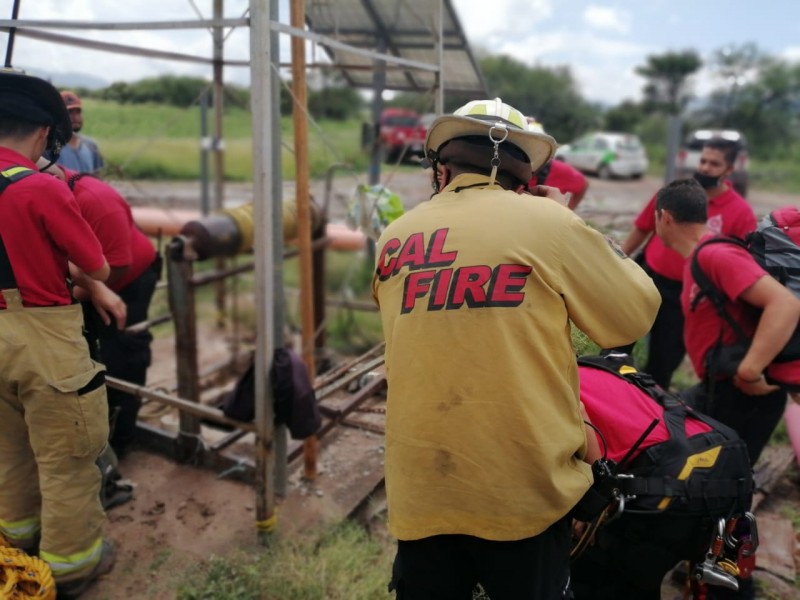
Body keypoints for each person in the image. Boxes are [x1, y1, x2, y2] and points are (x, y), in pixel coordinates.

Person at [372, 97, 661, 600]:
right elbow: (633, 315)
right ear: (525, 175)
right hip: (522, 489)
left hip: (422, 483)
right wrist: (571, 226)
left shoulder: (393, 237)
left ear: (442, 169)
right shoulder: (548, 223)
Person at [0, 68, 115, 597]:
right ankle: (71, 568)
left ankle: (16, 543)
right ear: (45, 133)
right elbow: (98, 265)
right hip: (42, 339)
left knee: (9, 451)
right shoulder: (40, 189)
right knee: (68, 459)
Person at [571, 352, 753, 600]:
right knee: (721, 572)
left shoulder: (545, 381)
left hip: (671, 483)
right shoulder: (593, 365)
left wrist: (592, 504)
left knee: (603, 580)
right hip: (726, 458)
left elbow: (578, 415)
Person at [654, 177, 800, 467]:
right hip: (725, 391)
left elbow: (785, 303)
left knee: (720, 484)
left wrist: (749, 371)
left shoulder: (715, 254)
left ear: (665, 217)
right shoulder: (704, 255)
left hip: (742, 394)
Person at [41, 163, 160, 458]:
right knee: (85, 347)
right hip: (87, 276)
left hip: (128, 277)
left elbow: (117, 268)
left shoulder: (96, 201)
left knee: (122, 350)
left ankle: (121, 438)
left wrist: (73, 296)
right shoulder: (37, 193)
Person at [621, 138, 756, 389]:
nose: (705, 167)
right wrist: (620, 260)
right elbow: (642, 227)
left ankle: (647, 410)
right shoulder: (676, 192)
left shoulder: (740, 213)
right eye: (703, 160)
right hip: (647, 278)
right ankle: (605, 390)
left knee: (662, 364)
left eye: (714, 163)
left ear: (729, 169)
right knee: (618, 341)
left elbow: (742, 262)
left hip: (685, 295)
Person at [57, 90, 104, 173]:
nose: (75, 117)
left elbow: (97, 178)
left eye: (78, 112)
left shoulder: (91, 146)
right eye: (69, 112)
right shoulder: (51, 148)